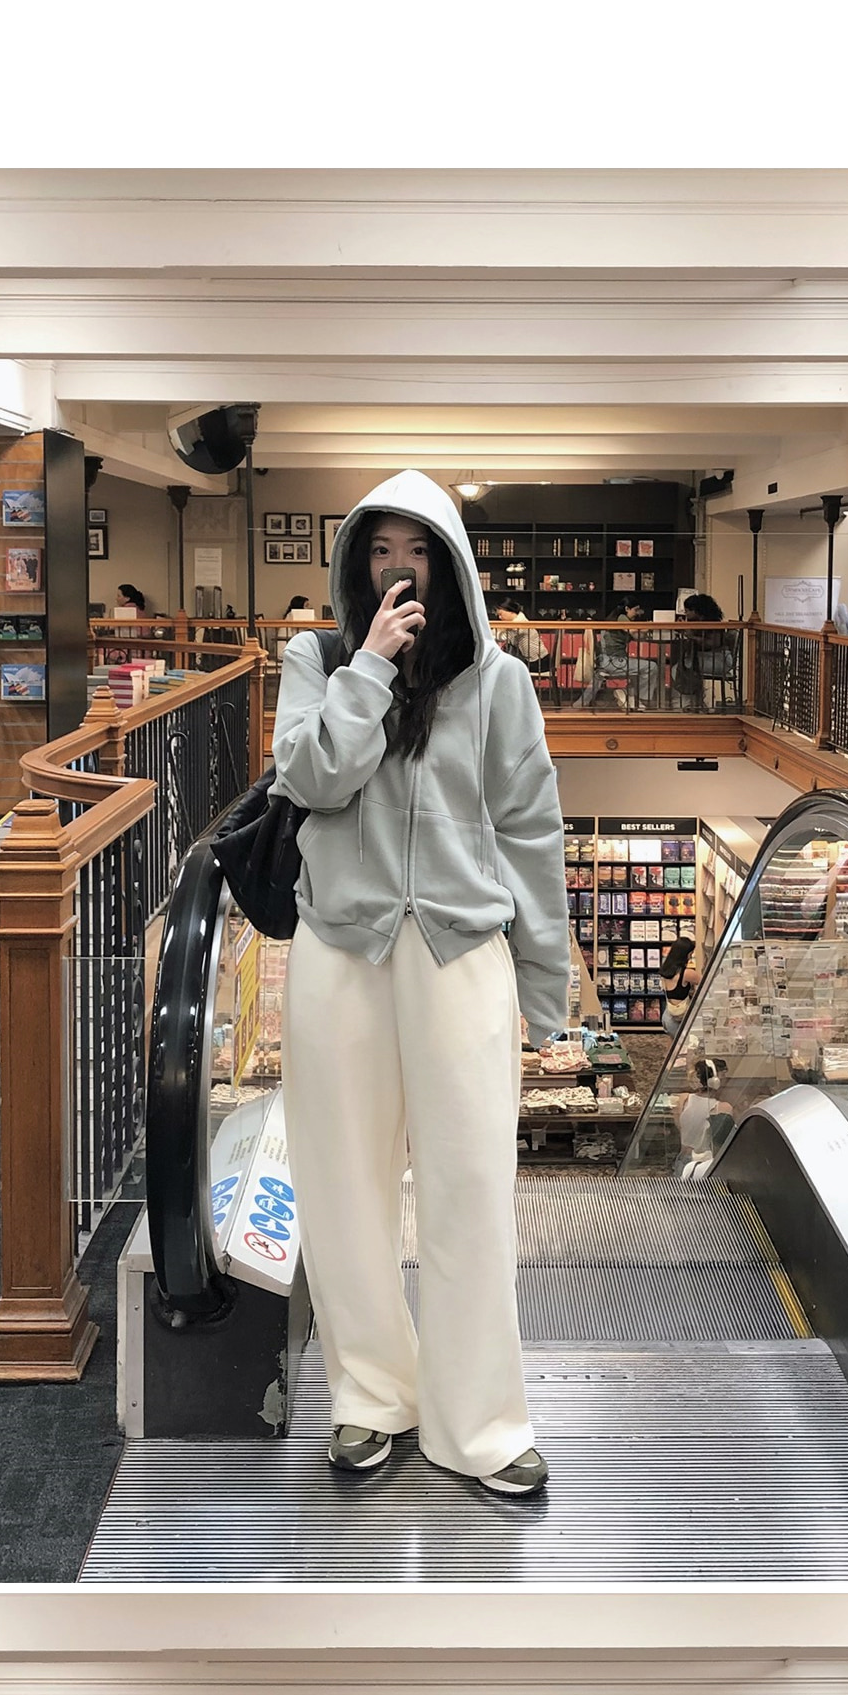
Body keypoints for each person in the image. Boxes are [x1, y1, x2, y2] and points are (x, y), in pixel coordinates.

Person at [270, 465, 571, 1495]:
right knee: (342, 1185)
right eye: (379, 550)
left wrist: (545, 986)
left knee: (470, 1187)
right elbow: (311, 777)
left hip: (459, 955)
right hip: (339, 951)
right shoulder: (315, 660)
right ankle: (370, 1395)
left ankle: (478, 1421)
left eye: (418, 551)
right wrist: (367, 666)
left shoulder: (499, 679)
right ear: (357, 563)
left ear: (451, 565)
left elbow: (530, 832)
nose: (398, 568)